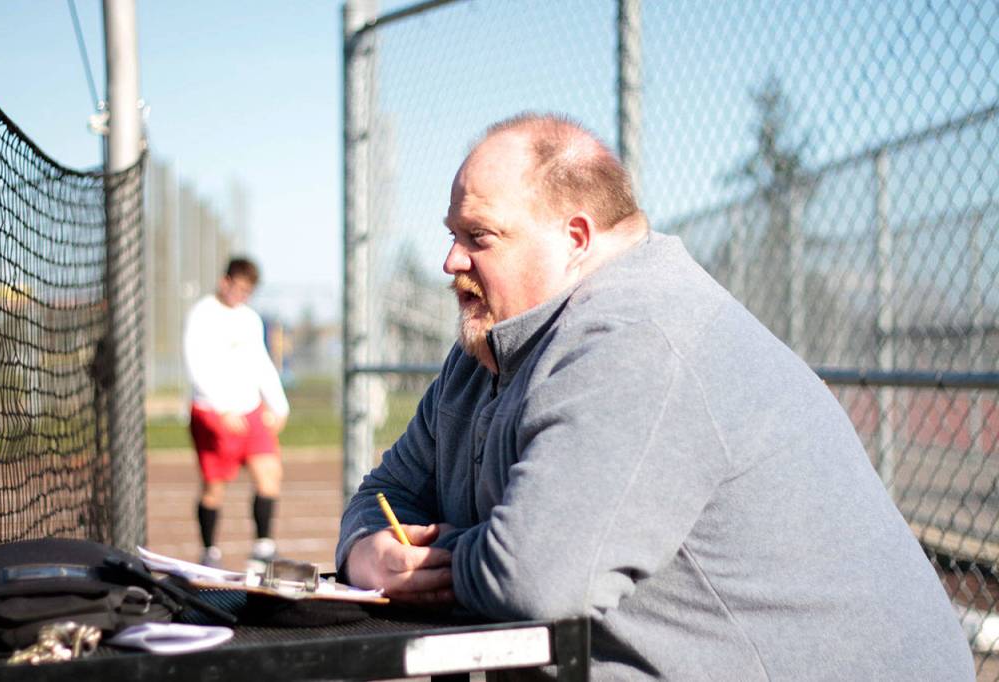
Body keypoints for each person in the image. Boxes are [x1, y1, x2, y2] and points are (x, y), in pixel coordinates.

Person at [335, 114, 974, 680]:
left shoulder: (639, 336)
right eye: (453, 234)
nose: (451, 261)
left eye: (479, 236)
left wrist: (430, 562)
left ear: (575, 238)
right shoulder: (486, 350)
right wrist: (367, 551)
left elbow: (535, 577)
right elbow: (385, 493)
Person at [184, 257, 289, 571]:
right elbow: (195, 364)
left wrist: (279, 405)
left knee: (269, 473)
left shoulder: (249, 319)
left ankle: (263, 548)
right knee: (214, 487)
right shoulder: (203, 314)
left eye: (247, 292)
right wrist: (221, 408)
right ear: (224, 281)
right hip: (213, 412)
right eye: (238, 288)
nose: (241, 296)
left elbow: (261, 363)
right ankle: (210, 551)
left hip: (250, 409)